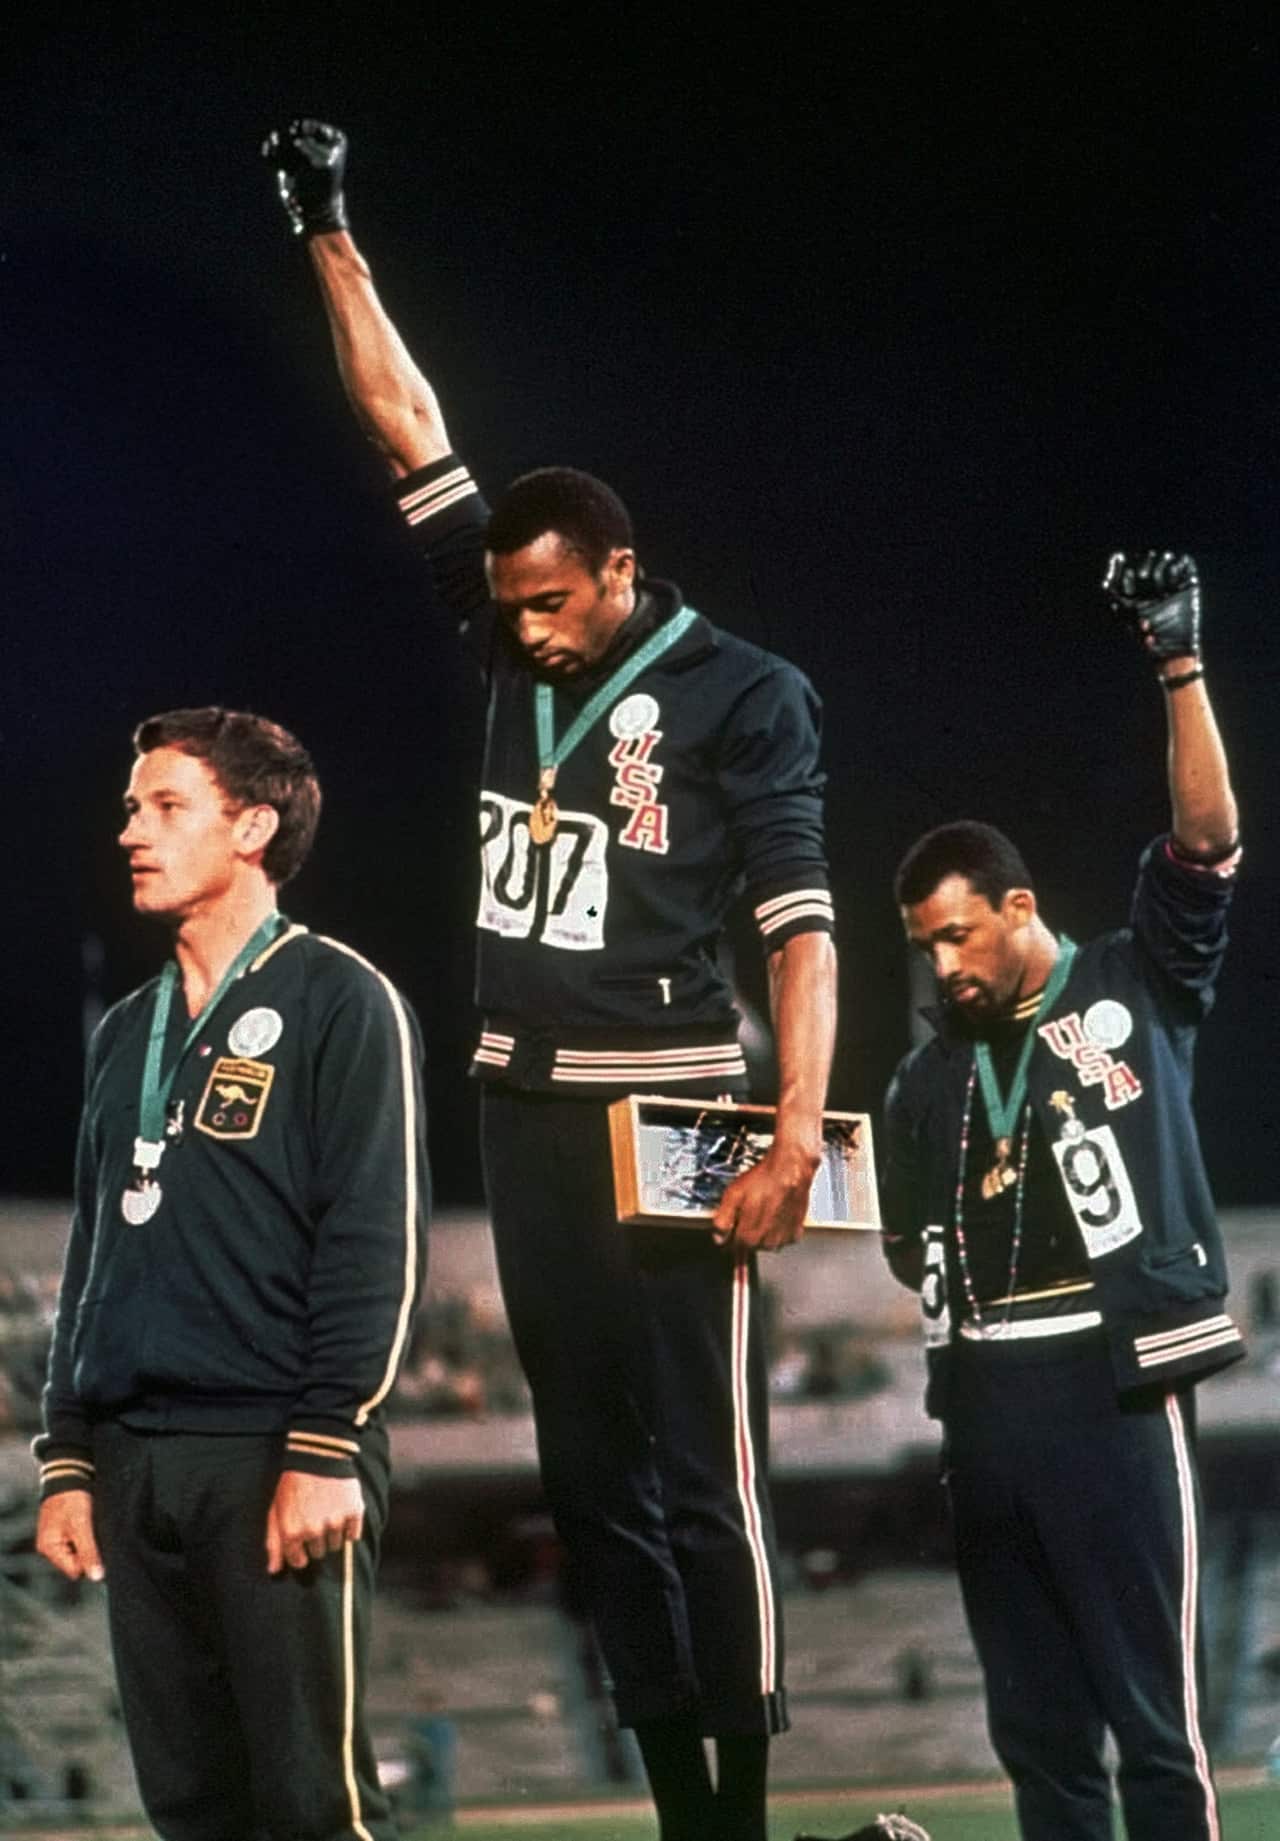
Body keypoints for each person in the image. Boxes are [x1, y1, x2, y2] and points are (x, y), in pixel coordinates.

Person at [262, 120, 838, 1841]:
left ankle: (740, 1806)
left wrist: (796, 1127)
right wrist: (329, 230)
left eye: (548, 605)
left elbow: (803, 927)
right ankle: (677, 1808)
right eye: (503, 608)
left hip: (674, 1111)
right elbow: (409, 429)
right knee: (592, 1488)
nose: (518, 632)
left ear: (619, 573)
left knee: (704, 1480)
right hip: (524, 1106)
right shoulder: (508, 622)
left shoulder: (748, 695)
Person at [880, 552, 1243, 1841]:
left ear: (1018, 907)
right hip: (977, 1404)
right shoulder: (922, 1078)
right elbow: (893, 1243)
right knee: (1035, 1739)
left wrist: (1176, 661)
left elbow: (1203, 846)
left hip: (1109, 1383)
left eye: (957, 933)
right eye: (923, 942)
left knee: (1152, 1727)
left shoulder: (1126, 985)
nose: (941, 962)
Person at [34, 707, 428, 1841]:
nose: (130, 832)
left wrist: (325, 1442)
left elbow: (371, 1240)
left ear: (252, 825)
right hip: (130, 1459)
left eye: (165, 806)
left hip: (272, 1452)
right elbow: (93, 1252)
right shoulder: (125, 1033)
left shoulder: (340, 999)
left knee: (314, 1804)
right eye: (129, 807)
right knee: (194, 1808)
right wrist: (67, 1456)